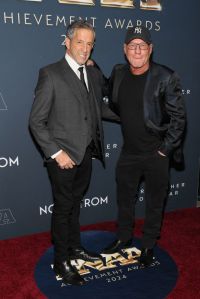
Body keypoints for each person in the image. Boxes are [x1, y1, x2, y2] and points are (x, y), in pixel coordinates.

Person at [29, 20, 117, 286]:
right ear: (67, 42)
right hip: (63, 159)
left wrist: (132, 116)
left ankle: (75, 247)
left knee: (75, 206)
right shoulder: (51, 73)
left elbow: (97, 109)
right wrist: (57, 153)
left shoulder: (91, 73)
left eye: (90, 43)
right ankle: (61, 260)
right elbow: (36, 121)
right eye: (80, 41)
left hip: (85, 154)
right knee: (64, 208)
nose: (85, 48)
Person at [102, 26, 186, 266]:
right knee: (124, 200)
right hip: (129, 152)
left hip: (156, 153)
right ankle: (124, 238)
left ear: (151, 49)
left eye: (142, 45)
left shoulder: (166, 77)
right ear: (124, 50)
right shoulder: (118, 73)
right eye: (132, 45)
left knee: (154, 202)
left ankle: (148, 245)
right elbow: (112, 98)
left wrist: (164, 150)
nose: (137, 50)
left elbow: (179, 118)